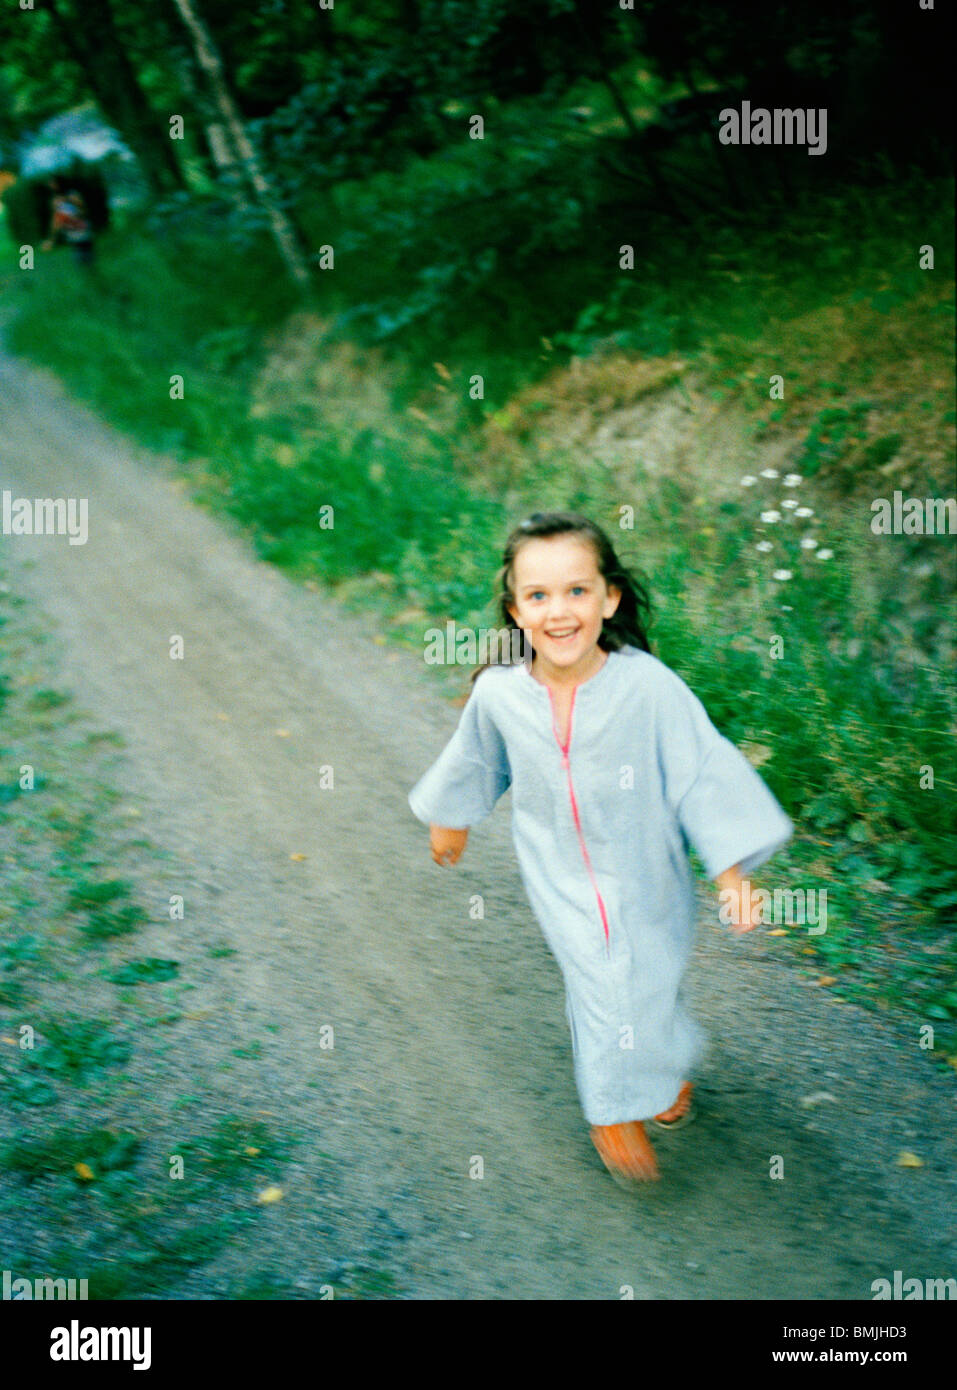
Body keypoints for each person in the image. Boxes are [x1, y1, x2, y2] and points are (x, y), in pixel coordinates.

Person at [408, 511, 794, 1184]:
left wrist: (731, 872)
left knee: (652, 976)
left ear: (609, 597)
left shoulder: (647, 688)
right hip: (561, 877)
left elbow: (702, 769)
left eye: (577, 591)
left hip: (650, 873)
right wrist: (451, 818)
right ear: (515, 609)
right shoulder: (501, 695)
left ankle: (659, 1063)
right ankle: (613, 1109)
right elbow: (474, 759)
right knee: (601, 986)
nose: (559, 611)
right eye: (538, 596)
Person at [42, 177, 95, 266]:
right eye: (50, 185)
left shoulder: (73, 195)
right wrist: (51, 239)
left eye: (53, 184)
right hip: (72, 234)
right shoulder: (55, 201)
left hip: (83, 231)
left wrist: (72, 205)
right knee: (80, 261)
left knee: (89, 258)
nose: (51, 186)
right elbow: (56, 221)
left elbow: (84, 211)